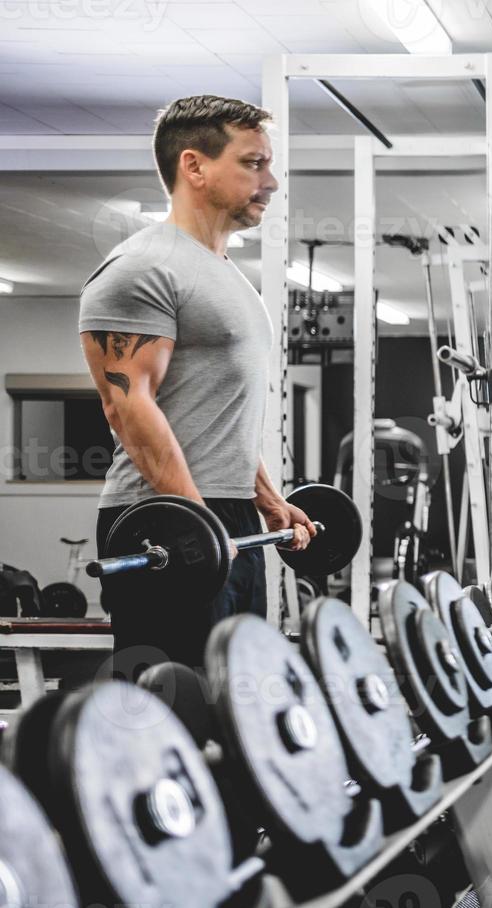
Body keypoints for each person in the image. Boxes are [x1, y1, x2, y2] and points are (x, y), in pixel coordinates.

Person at [79, 95, 313, 668]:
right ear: (194, 166)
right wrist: (197, 522)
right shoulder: (143, 267)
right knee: (173, 705)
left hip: (224, 514)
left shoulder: (228, 275)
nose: (273, 181)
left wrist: (266, 499)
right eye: (254, 164)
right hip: (165, 518)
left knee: (237, 702)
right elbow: (128, 406)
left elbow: (213, 413)